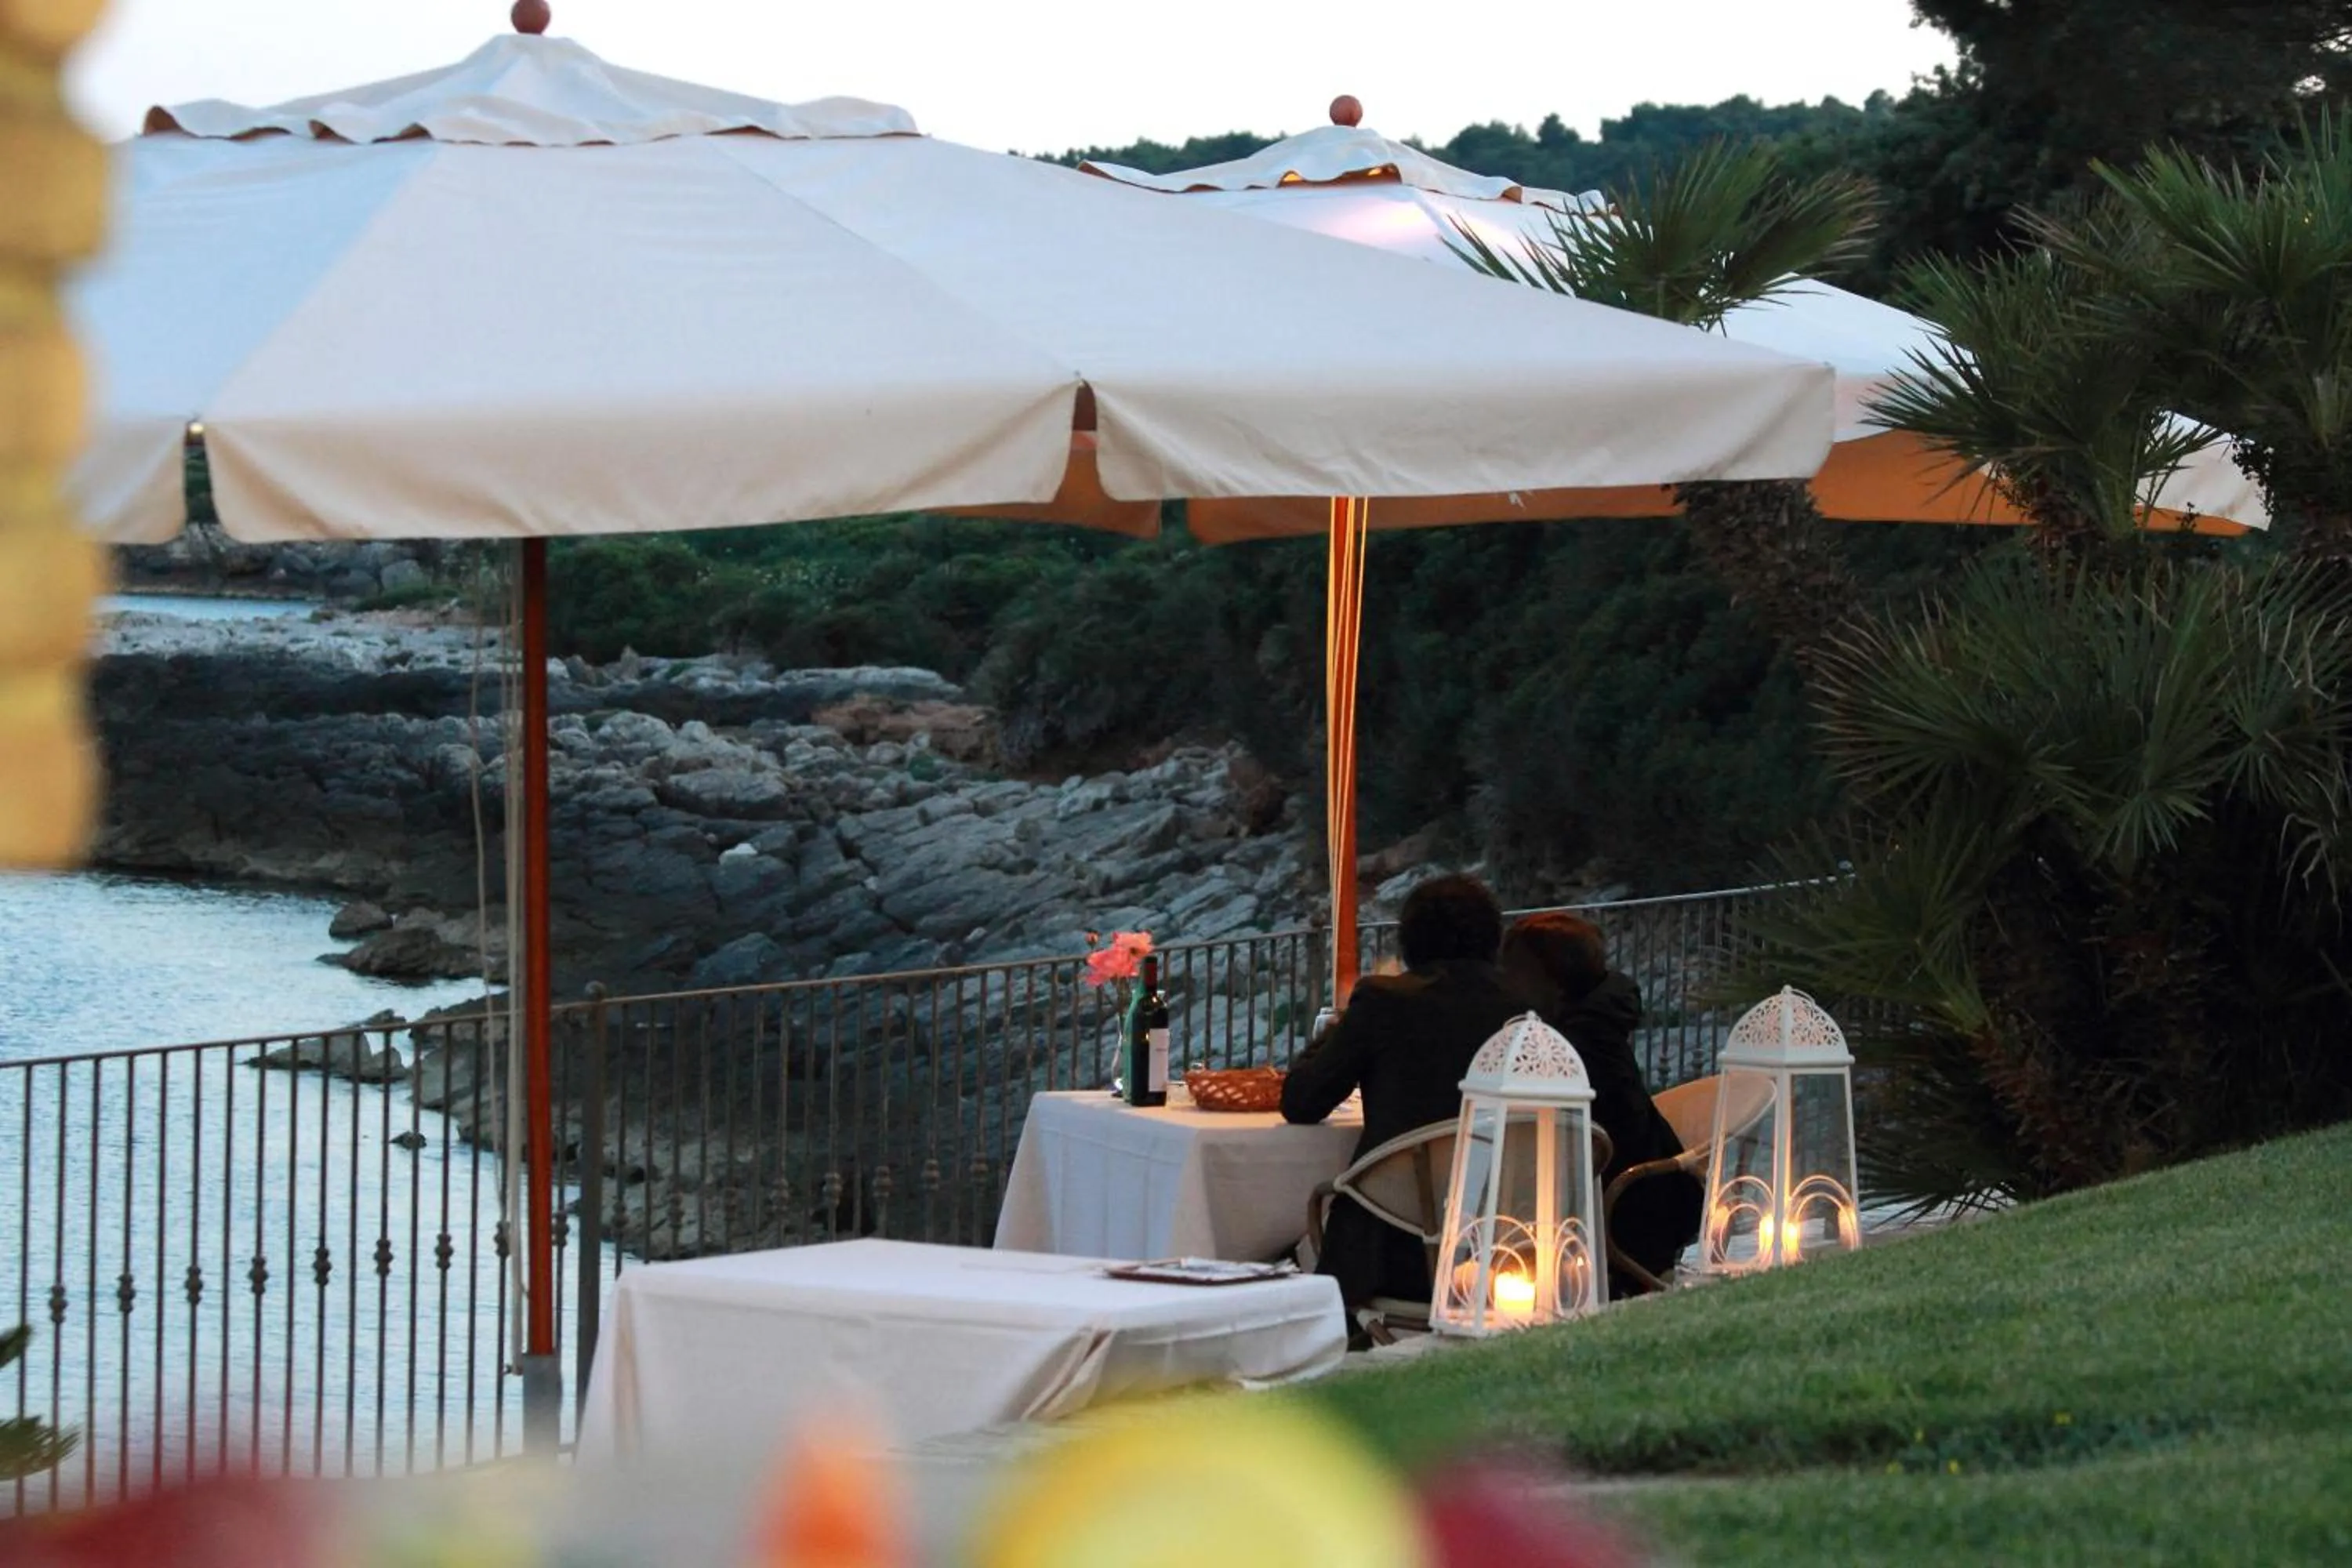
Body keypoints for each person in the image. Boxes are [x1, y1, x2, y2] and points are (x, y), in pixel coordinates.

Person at [1282, 873, 1526, 1316]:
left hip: (1390, 1237)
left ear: (1410, 937)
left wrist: (1341, 1029)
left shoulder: (1385, 1000)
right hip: (1503, 1231)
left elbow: (1302, 1100)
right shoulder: (1528, 1004)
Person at [1499, 912, 1700, 1294]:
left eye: (1514, 970)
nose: (1504, 981)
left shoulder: (1572, 1046)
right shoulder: (1596, 1021)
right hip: (1655, 1192)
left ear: (1549, 978)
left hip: (1625, 1205)